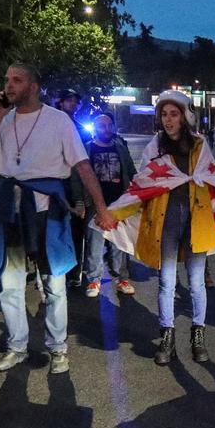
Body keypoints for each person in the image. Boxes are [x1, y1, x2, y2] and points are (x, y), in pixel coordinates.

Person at [0, 63, 117, 375]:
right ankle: (17, 346)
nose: (9, 86)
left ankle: (58, 349)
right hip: (10, 211)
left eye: (17, 80)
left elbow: (82, 166)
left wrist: (102, 209)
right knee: (9, 286)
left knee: (54, 284)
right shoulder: (4, 120)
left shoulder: (58, 120)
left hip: (45, 211)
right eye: (7, 79)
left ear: (34, 86)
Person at [103, 89, 215, 364]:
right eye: (164, 114)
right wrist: (112, 213)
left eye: (174, 114)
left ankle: (198, 335)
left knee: (196, 283)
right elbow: (141, 188)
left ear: (184, 117)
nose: (168, 120)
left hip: (198, 221)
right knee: (166, 282)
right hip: (164, 221)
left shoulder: (198, 145)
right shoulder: (154, 148)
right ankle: (167, 337)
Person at [80, 110, 136, 298]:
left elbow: (131, 171)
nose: (106, 128)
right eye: (101, 125)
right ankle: (94, 280)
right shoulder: (87, 149)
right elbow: (77, 177)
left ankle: (122, 278)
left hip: (119, 204)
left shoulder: (120, 148)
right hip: (95, 204)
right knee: (95, 244)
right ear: (95, 128)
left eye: (109, 125)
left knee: (119, 243)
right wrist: (81, 201)